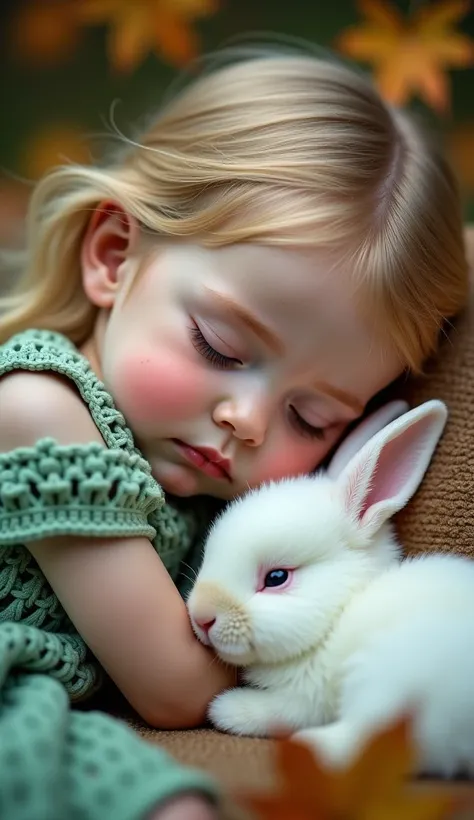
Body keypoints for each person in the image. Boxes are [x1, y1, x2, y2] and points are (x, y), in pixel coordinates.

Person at [0, 43, 469, 820]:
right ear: (115, 256)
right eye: (218, 347)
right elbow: (175, 685)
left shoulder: (205, 488)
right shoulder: (38, 409)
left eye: (310, 416)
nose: (247, 421)